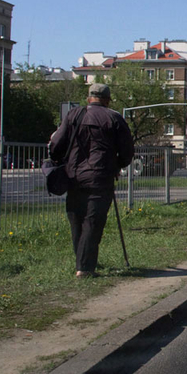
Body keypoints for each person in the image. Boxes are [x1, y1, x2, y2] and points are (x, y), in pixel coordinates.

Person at [49, 83, 134, 278]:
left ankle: (81, 262)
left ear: (89, 98)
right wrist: (117, 165)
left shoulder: (74, 115)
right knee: (92, 222)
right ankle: (85, 267)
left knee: (76, 220)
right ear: (107, 100)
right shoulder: (114, 118)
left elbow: (57, 144)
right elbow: (127, 151)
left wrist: (60, 160)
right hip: (100, 177)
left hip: (74, 176)